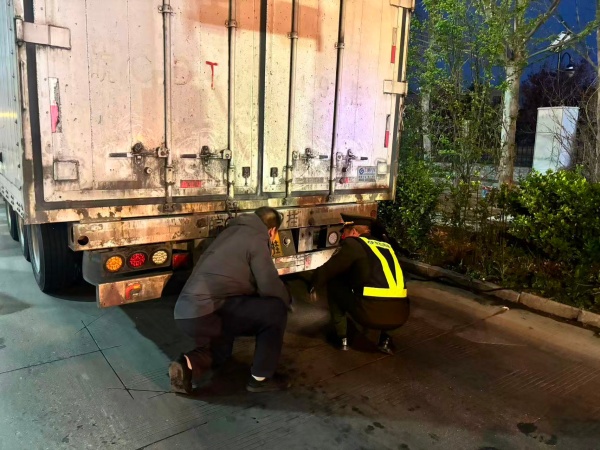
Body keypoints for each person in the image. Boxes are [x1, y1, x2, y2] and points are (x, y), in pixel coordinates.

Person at [169, 207, 292, 394]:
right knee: (275, 310)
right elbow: (269, 285)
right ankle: (261, 378)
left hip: (186, 313)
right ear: (272, 231)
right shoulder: (257, 238)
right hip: (209, 311)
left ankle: (187, 366)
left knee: (221, 351)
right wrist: (287, 301)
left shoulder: (229, 233)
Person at [308, 214, 409, 354]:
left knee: (334, 283)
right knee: (388, 290)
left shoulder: (353, 244)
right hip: (400, 315)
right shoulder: (386, 246)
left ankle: (342, 339)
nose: (343, 236)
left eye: (344, 231)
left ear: (354, 231)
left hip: (370, 314)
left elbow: (329, 269)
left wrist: (313, 285)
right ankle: (385, 340)